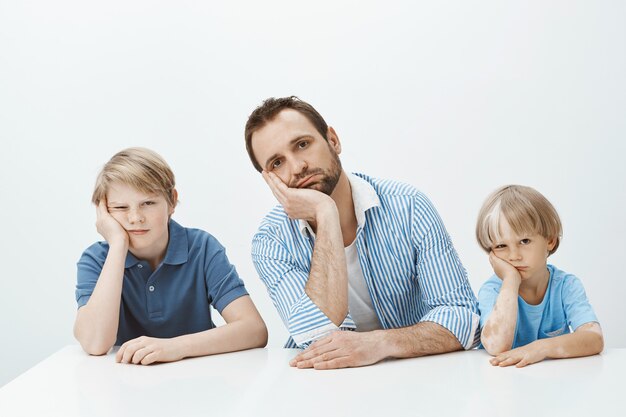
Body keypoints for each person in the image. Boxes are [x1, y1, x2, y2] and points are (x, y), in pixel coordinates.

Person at [244, 96, 479, 369]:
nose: (297, 168)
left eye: (303, 144)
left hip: (415, 376)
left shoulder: (409, 206)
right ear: (268, 179)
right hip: (325, 389)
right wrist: (325, 213)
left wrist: (380, 343)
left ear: (333, 140)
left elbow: (465, 319)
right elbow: (316, 335)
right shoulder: (271, 241)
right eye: (277, 163)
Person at [74, 147, 267, 365]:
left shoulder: (202, 248)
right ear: (104, 212)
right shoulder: (96, 260)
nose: (135, 218)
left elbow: (254, 329)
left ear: (172, 201)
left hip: (197, 380)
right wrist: (118, 245)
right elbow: (95, 343)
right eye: (120, 207)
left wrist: (174, 347)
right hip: (125, 384)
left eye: (148, 203)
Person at [476, 185, 603, 367]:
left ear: (550, 240)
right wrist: (511, 280)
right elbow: (496, 347)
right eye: (501, 246)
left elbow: (594, 338)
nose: (514, 256)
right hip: (502, 385)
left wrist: (540, 348)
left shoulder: (566, 286)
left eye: (524, 241)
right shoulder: (493, 290)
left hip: (551, 383)